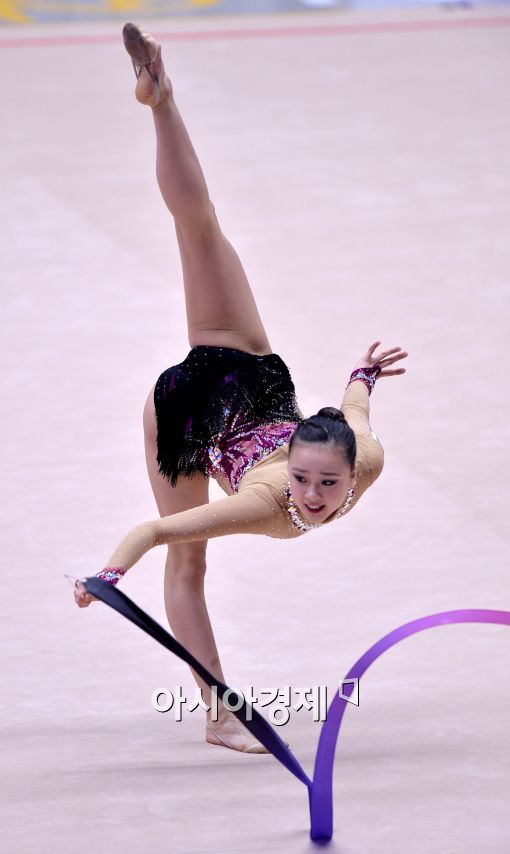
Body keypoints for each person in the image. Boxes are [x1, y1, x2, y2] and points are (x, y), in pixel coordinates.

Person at [73, 23, 408, 753]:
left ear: (353, 472)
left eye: (327, 482)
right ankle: (219, 714)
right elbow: (158, 532)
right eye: (305, 481)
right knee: (200, 226)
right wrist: (109, 570)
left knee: (200, 232)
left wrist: (361, 376)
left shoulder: (366, 457)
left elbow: (354, 409)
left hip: (251, 381)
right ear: (288, 471)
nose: (312, 496)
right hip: (202, 400)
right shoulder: (266, 503)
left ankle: (157, 97)